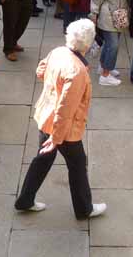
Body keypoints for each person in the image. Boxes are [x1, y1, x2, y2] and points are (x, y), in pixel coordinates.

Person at [15, 19, 106, 219]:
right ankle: (84, 209)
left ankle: (25, 199)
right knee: (77, 164)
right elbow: (66, 110)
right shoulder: (77, 71)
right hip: (64, 129)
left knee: (43, 159)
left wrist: (53, 82)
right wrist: (56, 139)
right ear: (88, 43)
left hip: (45, 117)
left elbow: (40, 71)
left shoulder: (58, 52)